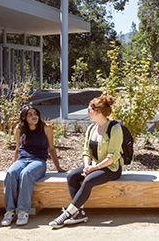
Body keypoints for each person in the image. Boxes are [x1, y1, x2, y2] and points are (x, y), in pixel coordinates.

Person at [49, 94, 123, 229]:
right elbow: (86, 151)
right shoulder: (91, 128)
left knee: (88, 180)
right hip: (94, 165)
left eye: (89, 110)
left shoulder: (115, 128)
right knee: (71, 176)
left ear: (98, 112)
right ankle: (79, 213)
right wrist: (88, 165)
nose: (87, 112)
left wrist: (94, 168)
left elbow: (113, 156)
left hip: (110, 167)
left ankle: (66, 214)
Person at [1, 105, 65, 227]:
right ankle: (9, 211)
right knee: (11, 173)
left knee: (26, 174)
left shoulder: (46, 128)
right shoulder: (19, 128)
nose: (33, 116)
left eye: (35, 113)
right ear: (24, 117)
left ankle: (23, 211)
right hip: (22, 159)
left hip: (38, 161)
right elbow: (17, 148)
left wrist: (58, 168)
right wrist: (13, 164)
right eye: (29, 114)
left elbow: (51, 149)